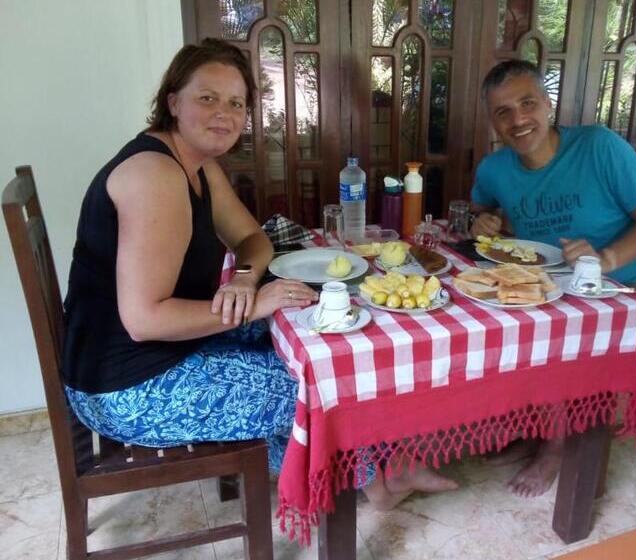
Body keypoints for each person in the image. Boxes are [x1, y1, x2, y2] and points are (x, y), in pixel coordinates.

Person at [61, 38, 455, 509]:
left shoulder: (197, 166)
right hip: (126, 387)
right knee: (319, 385)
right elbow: (145, 320)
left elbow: (254, 241)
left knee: (317, 339)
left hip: (159, 354)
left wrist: (247, 279)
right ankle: (379, 478)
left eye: (236, 103)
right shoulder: (155, 174)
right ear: (173, 102)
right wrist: (254, 305)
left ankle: (383, 473)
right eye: (207, 98)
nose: (223, 113)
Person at [470, 60, 636, 498]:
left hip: (632, 285)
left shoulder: (599, 146)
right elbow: (479, 211)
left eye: (528, 103)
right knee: (500, 319)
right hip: (551, 285)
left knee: (565, 335)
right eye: (503, 112)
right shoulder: (493, 170)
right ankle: (533, 426)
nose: (519, 119)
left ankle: (557, 446)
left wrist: (605, 258)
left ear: (548, 103)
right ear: (493, 122)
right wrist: (482, 221)